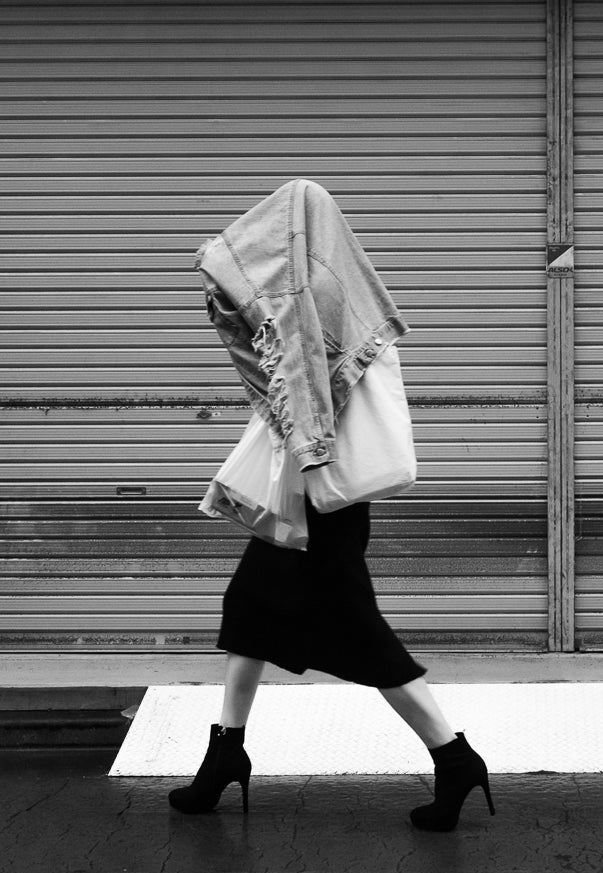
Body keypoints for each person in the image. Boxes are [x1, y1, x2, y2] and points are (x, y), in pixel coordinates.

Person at [169, 179, 494, 832]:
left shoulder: (310, 294)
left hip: (319, 489)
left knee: (359, 633)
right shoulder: (338, 287)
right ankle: (224, 755)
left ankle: (454, 756)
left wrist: (310, 453)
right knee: (249, 609)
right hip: (312, 484)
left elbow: (302, 382)